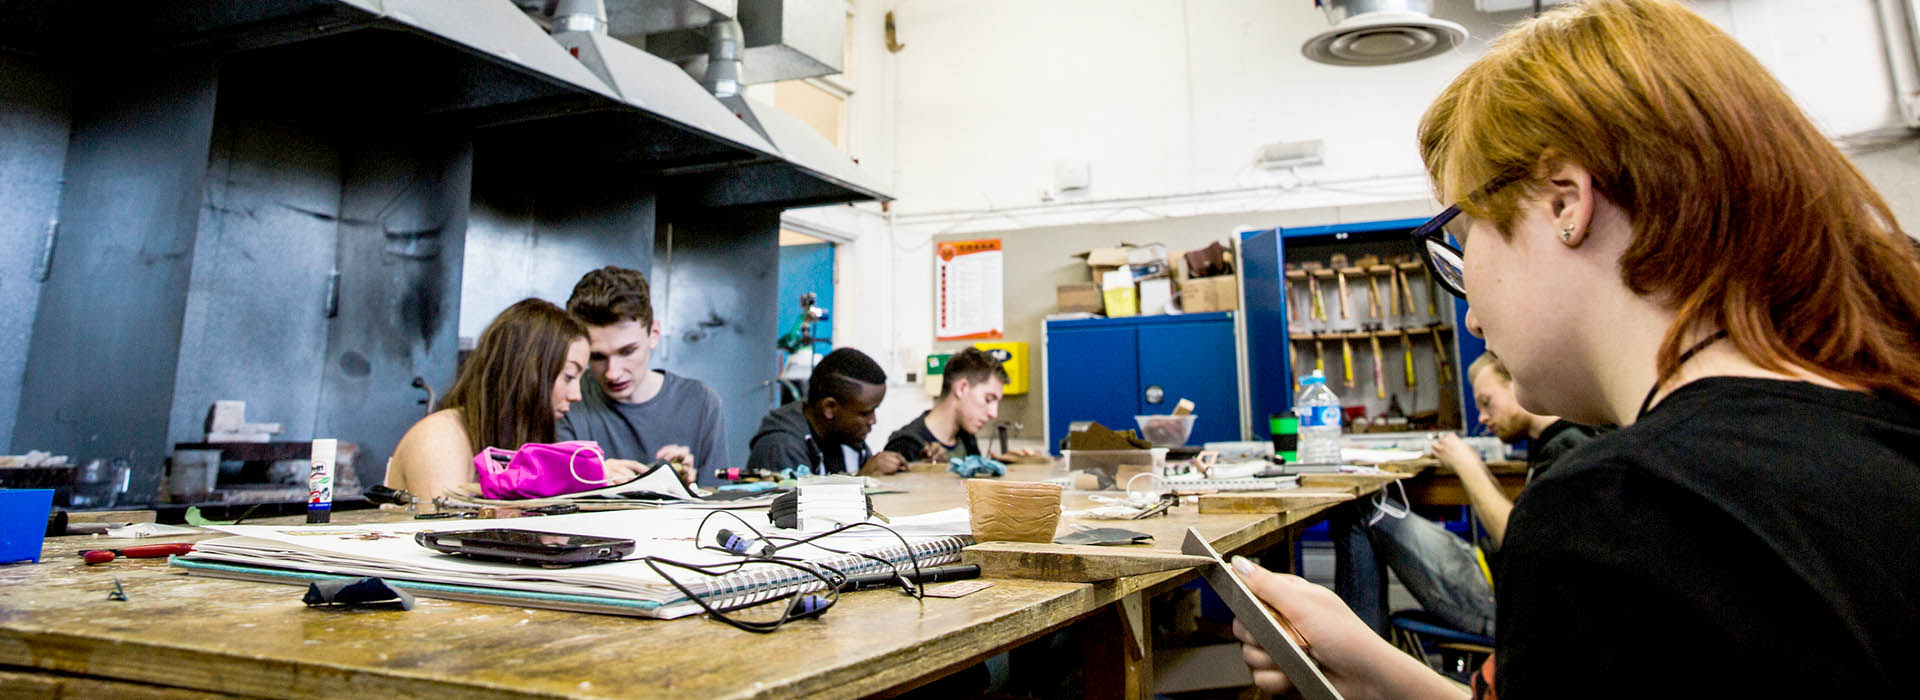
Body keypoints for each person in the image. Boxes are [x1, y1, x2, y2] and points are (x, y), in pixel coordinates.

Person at [1233, 1, 1920, 697]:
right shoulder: (1877, 433)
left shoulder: (1621, 518)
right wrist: (1375, 674)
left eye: (1464, 243)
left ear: (1565, 203)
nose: (1471, 317)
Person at [386, 299, 637, 511]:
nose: (576, 395)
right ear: (528, 375)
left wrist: (588, 479)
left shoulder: (512, 445)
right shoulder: (439, 439)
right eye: (569, 377)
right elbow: (447, 542)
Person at [557, 266, 726, 484]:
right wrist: (592, 475)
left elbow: (717, 508)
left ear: (653, 335)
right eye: (597, 356)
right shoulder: (566, 402)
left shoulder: (700, 403)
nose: (613, 373)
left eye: (627, 352)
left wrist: (687, 489)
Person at [1431, 352, 1600, 547]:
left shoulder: (1567, 448)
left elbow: (1519, 542)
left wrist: (1466, 465)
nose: (1482, 418)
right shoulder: (1547, 442)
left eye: (1487, 403)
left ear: (1519, 384)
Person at [747, 347, 907, 476]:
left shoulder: (846, 438)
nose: (873, 421)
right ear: (829, 408)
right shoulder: (781, 448)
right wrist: (863, 481)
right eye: (865, 413)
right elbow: (792, 511)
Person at [881, 347, 1041, 467]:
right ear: (962, 388)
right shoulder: (906, 444)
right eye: (988, 399)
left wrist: (1005, 465)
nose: (994, 413)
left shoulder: (965, 437)